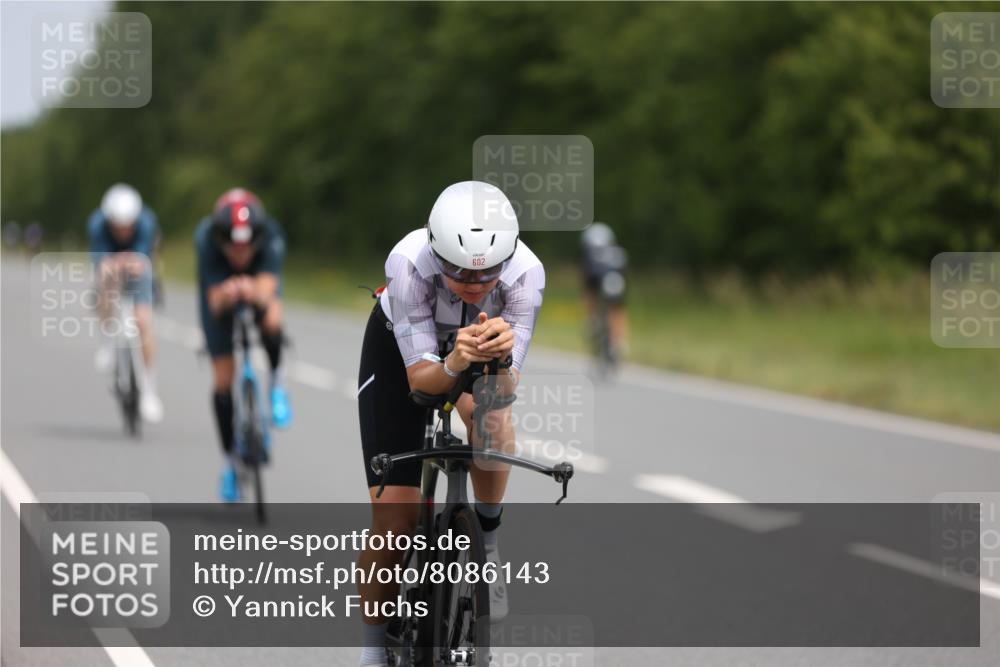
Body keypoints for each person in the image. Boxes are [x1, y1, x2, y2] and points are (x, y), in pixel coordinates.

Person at [355, 181, 544, 667]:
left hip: (475, 350)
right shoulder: (409, 263)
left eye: (488, 273)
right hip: (403, 358)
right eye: (458, 271)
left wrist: (498, 361)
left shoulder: (526, 275)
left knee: (494, 418)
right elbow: (421, 383)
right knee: (394, 524)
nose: (475, 284)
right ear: (436, 251)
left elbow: (501, 392)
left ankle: (489, 537)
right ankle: (372, 651)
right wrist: (455, 360)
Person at [195, 188, 292, 502]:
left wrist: (251, 289)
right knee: (223, 380)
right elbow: (214, 303)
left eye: (247, 247)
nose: (241, 255)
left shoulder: (271, 237)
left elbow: (267, 291)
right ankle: (228, 463)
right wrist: (227, 293)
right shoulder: (206, 240)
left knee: (273, 320)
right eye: (233, 249)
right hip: (221, 288)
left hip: (255, 284)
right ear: (221, 240)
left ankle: (277, 382)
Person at [88, 183, 164, 423]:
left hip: (139, 264)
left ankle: (149, 390)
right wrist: (111, 266)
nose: (122, 232)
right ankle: (108, 340)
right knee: (105, 281)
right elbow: (99, 260)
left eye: (127, 227)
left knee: (143, 323)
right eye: (117, 227)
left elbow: (146, 258)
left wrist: (138, 264)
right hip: (111, 262)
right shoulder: (97, 225)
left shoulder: (147, 223)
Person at [580, 222, 629, 361]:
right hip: (617, 281)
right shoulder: (619, 252)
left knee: (591, 295)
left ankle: (592, 321)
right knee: (618, 308)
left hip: (598, 280)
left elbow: (587, 283)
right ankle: (620, 342)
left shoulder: (590, 255)